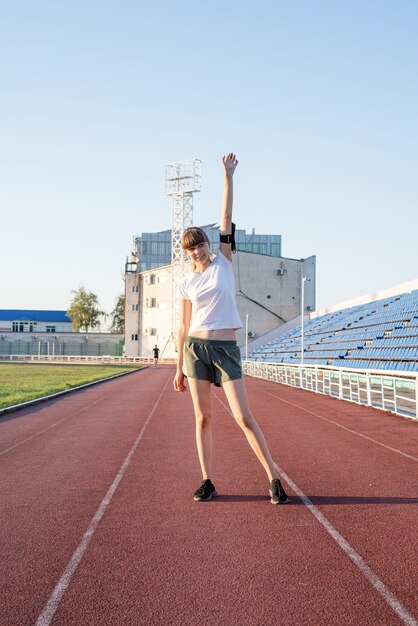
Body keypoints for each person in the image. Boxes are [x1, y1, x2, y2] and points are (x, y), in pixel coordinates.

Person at [173, 152, 289, 505]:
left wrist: (227, 175)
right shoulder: (185, 283)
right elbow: (182, 326)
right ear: (188, 253)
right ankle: (207, 479)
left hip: (226, 349)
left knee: (243, 416)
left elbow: (226, 215)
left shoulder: (224, 261)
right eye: (193, 248)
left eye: (202, 244)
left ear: (211, 245)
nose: (199, 251)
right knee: (203, 416)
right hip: (195, 349)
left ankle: (273, 477)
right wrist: (178, 367)